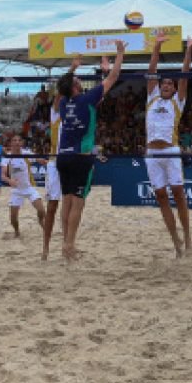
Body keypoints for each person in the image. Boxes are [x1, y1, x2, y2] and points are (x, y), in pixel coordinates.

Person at [55, 40, 125, 263]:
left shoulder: (65, 103)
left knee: (66, 202)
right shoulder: (86, 99)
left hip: (62, 156)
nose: (79, 80)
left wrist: (73, 68)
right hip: (80, 157)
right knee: (78, 203)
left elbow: (61, 88)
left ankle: (66, 245)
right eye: (77, 80)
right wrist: (120, 53)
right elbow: (113, 78)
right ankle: (70, 245)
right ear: (76, 87)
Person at [145, 30, 192, 258]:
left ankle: (187, 236)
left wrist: (189, 49)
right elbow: (151, 71)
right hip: (151, 153)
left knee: (178, 193)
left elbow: (184, 73)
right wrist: (156, 48)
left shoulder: (178, 101)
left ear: (175, 89)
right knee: (160, 197)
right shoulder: (152, 98)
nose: (166, 85)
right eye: (164, 83)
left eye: (170, 83)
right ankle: (175, 240)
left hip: (171, 151)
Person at [41, 56, 80, 262]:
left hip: (71, 162)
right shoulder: (57, 112)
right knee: (53, 207)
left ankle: (67, 245)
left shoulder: (77, 111)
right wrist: (71, 69)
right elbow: (59, 93)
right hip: (55, 162)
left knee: (72, 205)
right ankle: (46, 248)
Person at [1, 134, 45, 238]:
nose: (16, 142)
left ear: (21, 143)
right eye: (14, 140)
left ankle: (41, 223)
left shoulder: (26, 153)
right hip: (16, 190)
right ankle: (17, 231)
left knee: (42, 210)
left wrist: (45, 161)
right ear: (11, 143)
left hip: (29, 188)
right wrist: (9, 180)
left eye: (18, 140)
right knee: (13, 218)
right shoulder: (7, 157)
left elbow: (39, 159)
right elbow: (2, 176)